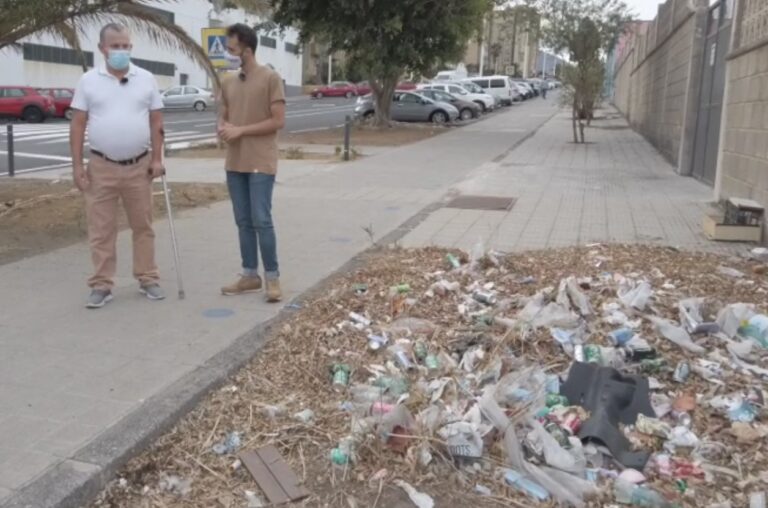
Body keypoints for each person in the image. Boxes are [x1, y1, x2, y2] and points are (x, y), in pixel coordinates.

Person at [70, 23, 166, 309]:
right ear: (102, 49)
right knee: (101, 229)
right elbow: (77, 125)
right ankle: (101, 284)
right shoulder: (88, 81)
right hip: (101, 166)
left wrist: (158, 159)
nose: (121, 51)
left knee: (143, 226)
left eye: (126, 46)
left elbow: (157, 122)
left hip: (139, 165)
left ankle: (147, 277)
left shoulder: (146, 79)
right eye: (115, 46)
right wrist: (77, 166)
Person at [218, 23, 286, 302]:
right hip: (235, 162)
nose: (228, 53)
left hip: (260, 162)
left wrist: (241, 131)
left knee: (261, 220)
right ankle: (249, 275)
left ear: (247, 50)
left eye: (232, 49)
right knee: (243, 221)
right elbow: (224, 115)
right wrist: (221, 127)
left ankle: (272, 278)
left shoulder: (271, 78)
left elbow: (278, 121)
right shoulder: (228, 81)